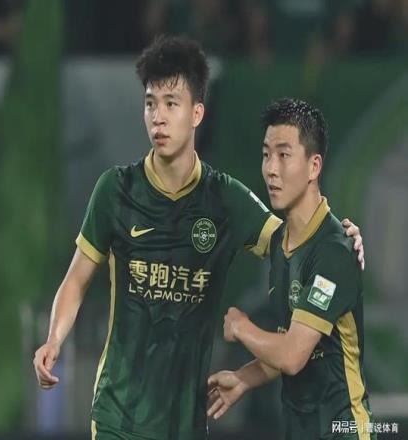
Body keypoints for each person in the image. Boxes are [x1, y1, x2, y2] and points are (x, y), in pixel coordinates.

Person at [33, 37, 363, 440]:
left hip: (186, 421)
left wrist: (341, 237)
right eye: (150, 104)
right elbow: (77, 278)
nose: (158, 117)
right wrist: (54, 339)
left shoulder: (225, 198)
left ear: (197, 113)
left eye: (171, 104)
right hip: (118, 417)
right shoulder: (116, 190)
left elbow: (296, 244)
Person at [208, 98, 374, 439]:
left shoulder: (334, 252)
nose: (271, 168)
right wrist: (244, 378)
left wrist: (241, 327)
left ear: (314, 166)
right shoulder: (281, 243)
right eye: (266, 154)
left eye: (284, 155)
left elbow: (293, 355)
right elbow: (296, 344)